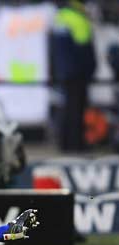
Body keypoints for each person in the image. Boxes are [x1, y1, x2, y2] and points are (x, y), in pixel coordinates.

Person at [50, 0, 96, 152]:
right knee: (77, 110)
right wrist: (90, 69)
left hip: (63, 71)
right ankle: (76, 145)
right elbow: (84, 49)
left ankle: (65, 144)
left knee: (67, 108)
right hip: (78, 72)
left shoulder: (60, 17)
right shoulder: (78, 19)